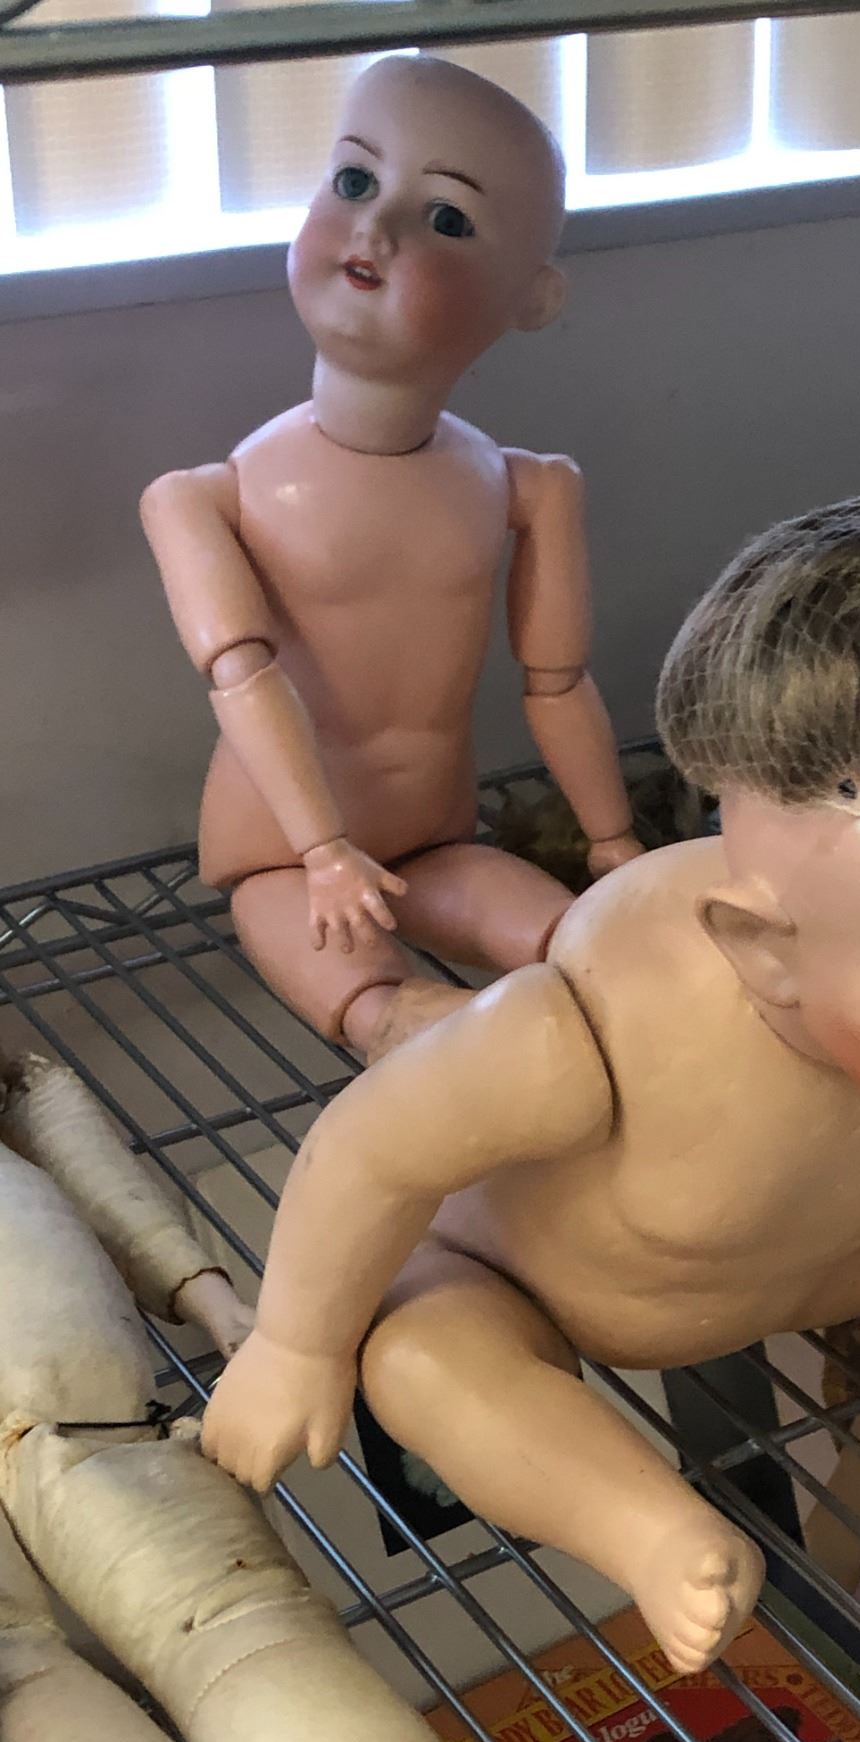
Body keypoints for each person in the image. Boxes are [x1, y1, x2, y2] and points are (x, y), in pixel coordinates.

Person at [203, 479, 860, 1671]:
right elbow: (370, 1149)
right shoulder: (587, 1029)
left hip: (836, 1252)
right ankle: (647, 1527)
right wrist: (294, 1345)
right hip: (545, 1292)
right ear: (768, 951)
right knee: (422, 1353)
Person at [142, 54, 641, 1059]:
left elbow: (557, 681)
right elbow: (243, 678)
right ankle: (427, 1046)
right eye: (354, 181)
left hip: (435, 841)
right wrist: (324, 851)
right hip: (283, 858)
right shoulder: (205, 498)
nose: (375, 229)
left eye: (447, 218)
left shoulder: (525, 486)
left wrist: (615, 844)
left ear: (533, 296)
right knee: (387, 1006)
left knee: (603, 953)